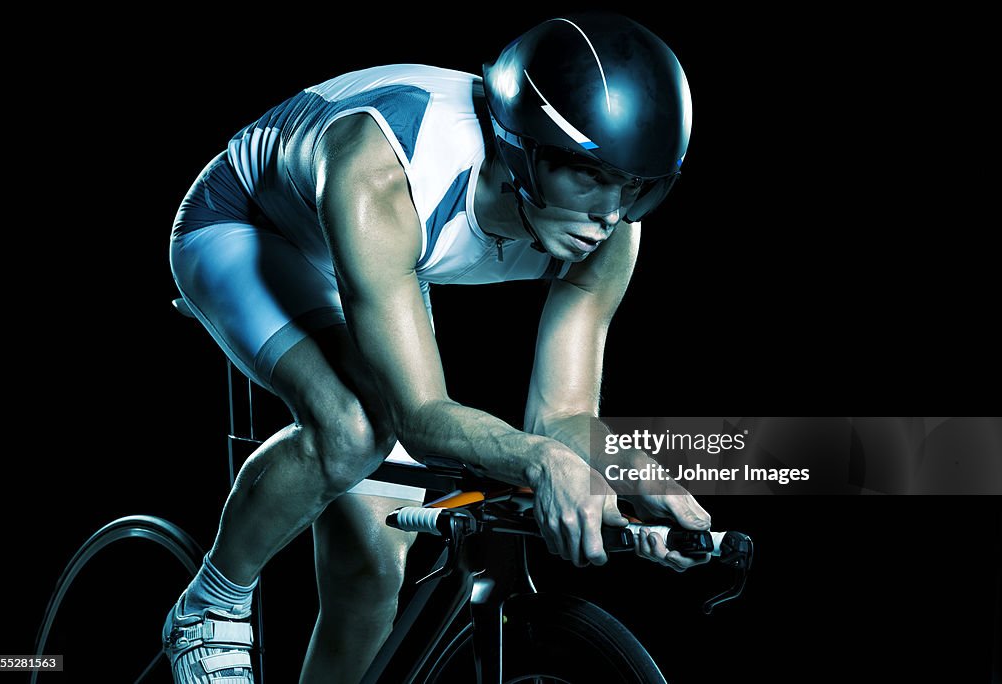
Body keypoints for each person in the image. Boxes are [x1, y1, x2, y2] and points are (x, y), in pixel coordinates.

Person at [163, 11, 711, 683]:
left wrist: (632, 476)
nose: (610, 212)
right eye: (590, 178)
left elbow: (561, 417)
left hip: (380, 264)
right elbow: (419, 417)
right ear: (525, 150)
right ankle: (211, 604)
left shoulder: (612, 229)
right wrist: (540, 463)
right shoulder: (388, 170)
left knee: (372, 573)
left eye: (636, 187)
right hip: (247, 226)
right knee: (354, 425)